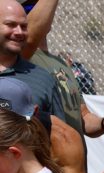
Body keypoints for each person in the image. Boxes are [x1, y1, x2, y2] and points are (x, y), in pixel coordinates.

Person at [20, 0, 82, 134]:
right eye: (31, 7)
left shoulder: (62, 64)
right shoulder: (17, 56)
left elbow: (85, 117)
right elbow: (29, 39)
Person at [0, 1, 62, 121]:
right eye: (11, 24)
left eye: (24, 27)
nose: (19, 32)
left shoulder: (43, 80)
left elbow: (59, 134)